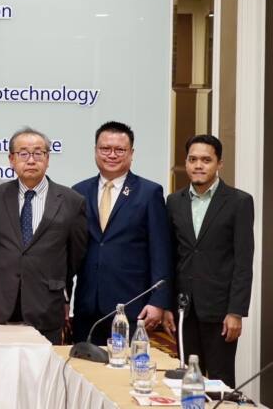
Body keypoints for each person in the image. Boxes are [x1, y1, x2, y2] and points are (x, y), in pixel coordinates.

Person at [72, 121, 173, 345]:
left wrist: (158, 301)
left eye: (119, 150)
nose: (112, 155)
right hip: (87, 306)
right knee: (85, 364)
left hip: (132, 307)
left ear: (131, 153)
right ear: (95, 151)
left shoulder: (149, 193)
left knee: (125, 365)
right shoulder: (79, 192)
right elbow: (71, 252)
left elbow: (161, 252)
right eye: (105, 149)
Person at [0, 127, 87, 344]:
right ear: (11, 159)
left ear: (47, 159)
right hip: (0, 305)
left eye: (38, 153)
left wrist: (62, 290)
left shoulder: (71, 201)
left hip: (46, 306)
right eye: (23, 153)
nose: (31, 160)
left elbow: (75, 256)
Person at [165, 135, 253, 388]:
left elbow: (243, 262)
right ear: (186, 163)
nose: (198, 165)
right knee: (185, 382)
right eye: (192, 159)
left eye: (206, 160)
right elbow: (171, 256)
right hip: (184, 310)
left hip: (220, 312)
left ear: (219, 164)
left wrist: (236, 311)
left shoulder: (239, 202)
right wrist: (168, 306)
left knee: (219, 383)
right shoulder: (174, 201)